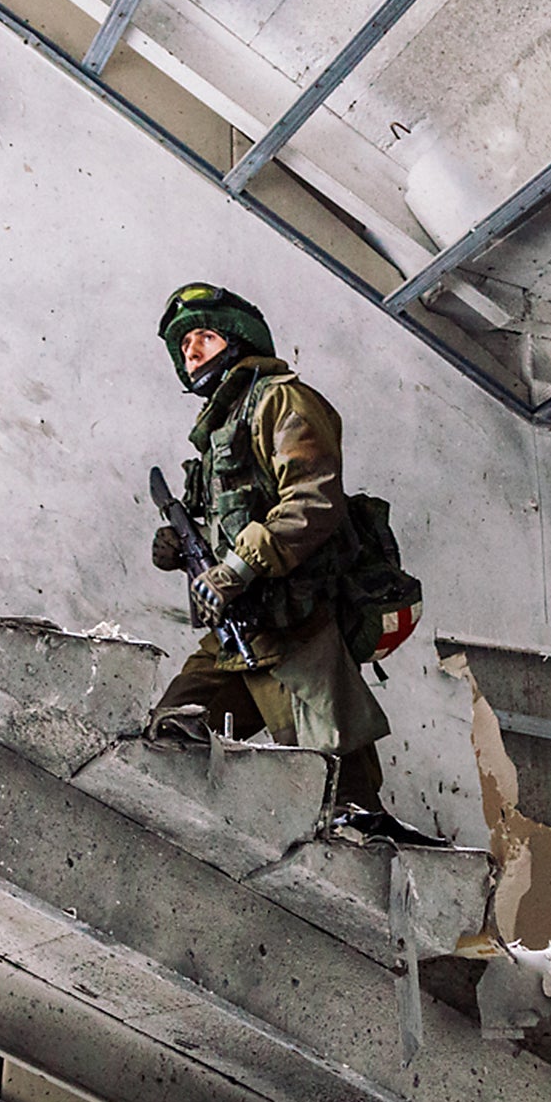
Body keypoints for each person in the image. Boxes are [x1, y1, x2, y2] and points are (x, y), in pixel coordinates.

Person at [147, 282, 389, 810]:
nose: (191, 351)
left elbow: (313, 499)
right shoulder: (216, 432)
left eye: (204, 337)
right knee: (171, 732)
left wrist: (236, 567)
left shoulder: (280, 399)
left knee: (340, 791)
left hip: (294, 628)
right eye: (184, 345)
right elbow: (230, 517)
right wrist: (179, 546)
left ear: (238, 340)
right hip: (237, 633)